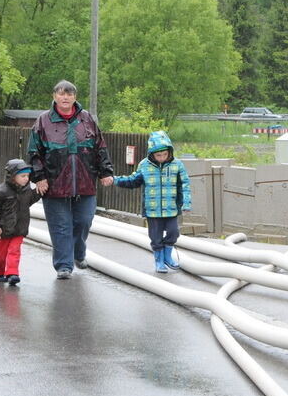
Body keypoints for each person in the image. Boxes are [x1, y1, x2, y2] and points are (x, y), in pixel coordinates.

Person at [28, 80, 114, 280]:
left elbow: (100, 147)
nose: (65, 97)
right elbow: (34, 153)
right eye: (61, 93)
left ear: (75, 97)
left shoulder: (87, 119)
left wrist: (106, 171)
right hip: (54, 183)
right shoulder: (43, 121)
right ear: (54, 96)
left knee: (84, 221)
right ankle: (64, 265)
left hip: (84, 182)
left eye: (69, 94)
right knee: (61, 226)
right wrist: (39, 177)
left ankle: (78, 252)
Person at [114, 130, 191, 273]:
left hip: (171, 208)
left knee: (173, 232)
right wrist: (116, 180)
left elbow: (185, 184)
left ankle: (167, 255)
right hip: (152, 210)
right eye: (158, 155)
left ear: (170, 152)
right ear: (152, 154)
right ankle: (159, 261)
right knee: (155, 238)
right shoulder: (144, 165)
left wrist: (186, 203)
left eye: (164, 154)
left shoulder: (177, 165)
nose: (162, 157)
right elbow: (133, 180)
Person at [0, 159, 41, 286]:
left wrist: (40, 190)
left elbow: (32, 198)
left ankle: (12, 273)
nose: (26, 179)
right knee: (1, 253)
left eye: (27, 176)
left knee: (14, 250)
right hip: (3, 230)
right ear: (12, 176)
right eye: (22, 176)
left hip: (19, 229)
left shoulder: (26, 191)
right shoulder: (0, 191)